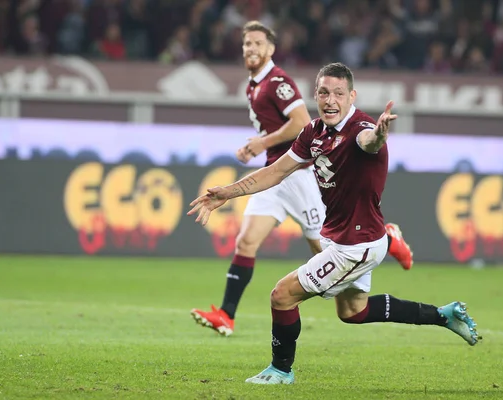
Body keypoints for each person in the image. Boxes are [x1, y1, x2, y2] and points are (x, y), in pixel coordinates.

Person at [188, 62, 481, 384]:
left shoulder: (360, 129)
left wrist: (381, 133)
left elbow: (370, 141)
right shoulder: (314, 131)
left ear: (351, 96)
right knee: (353, 312)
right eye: (324, 92)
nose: (330, 100)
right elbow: (275, 171)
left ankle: (280, 370)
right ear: (316, 95)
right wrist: (227, 194)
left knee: (282, 295)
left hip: (356, 247)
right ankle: (443, 314)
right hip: (345, 239)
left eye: (338, 93)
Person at [190, 21, 413, 338]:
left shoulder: (277, 82)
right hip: (274, 172)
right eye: (246, 44)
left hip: (298, 175)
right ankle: (226, 314)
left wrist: (261, 143)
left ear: (270, 49)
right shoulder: (253, 86)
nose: (250, 49)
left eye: (257, 43)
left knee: (324, 251)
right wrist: (231, 188)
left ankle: (387, 238)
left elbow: (300, 122)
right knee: (246, 241)